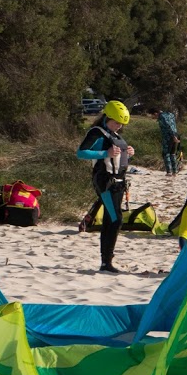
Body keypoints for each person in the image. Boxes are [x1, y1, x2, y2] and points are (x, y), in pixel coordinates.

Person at [77, 100, 135, 273]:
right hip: (104, 181)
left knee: (114, 219)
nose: (118, 126)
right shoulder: (97, 133)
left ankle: (106, 261)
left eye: (121, 124)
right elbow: (81, 153)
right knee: (115, 219)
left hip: (118, 183)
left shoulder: (115, 135)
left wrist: (128, 153)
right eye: (116, 122)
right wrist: (105, 153)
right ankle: (106, 262)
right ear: (107, 117)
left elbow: (116, 159)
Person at [150, 108, 180, 176]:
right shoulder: (170, 114)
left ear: (155, 113)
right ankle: (175, 171)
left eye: (153, 116)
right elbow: (173, 125)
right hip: (175, 134)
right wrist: (175, 136)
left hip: (168, 137)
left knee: (165, 154)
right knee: (172, 153)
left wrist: (173, 136)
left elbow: (169, 126)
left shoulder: (162, 117)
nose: (153, 117)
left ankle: (169, 172)